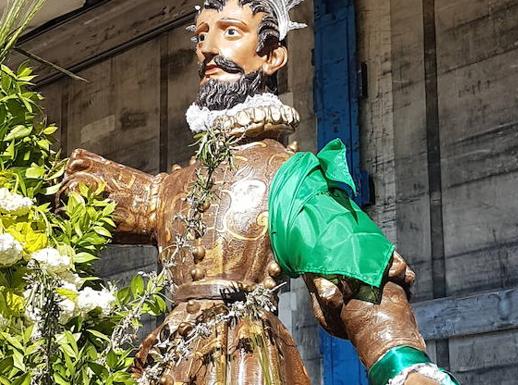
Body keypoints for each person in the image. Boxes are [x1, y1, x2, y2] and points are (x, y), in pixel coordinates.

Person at [62, 1, 459, 384]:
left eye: (230, 32)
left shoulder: (287, 177)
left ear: (272, 57)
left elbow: (352, 261)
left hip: (244, 360)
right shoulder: (178, 184)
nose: (209, 50)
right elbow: (117, 198)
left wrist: (402, 364)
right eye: (201, 36)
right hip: (168, 359)